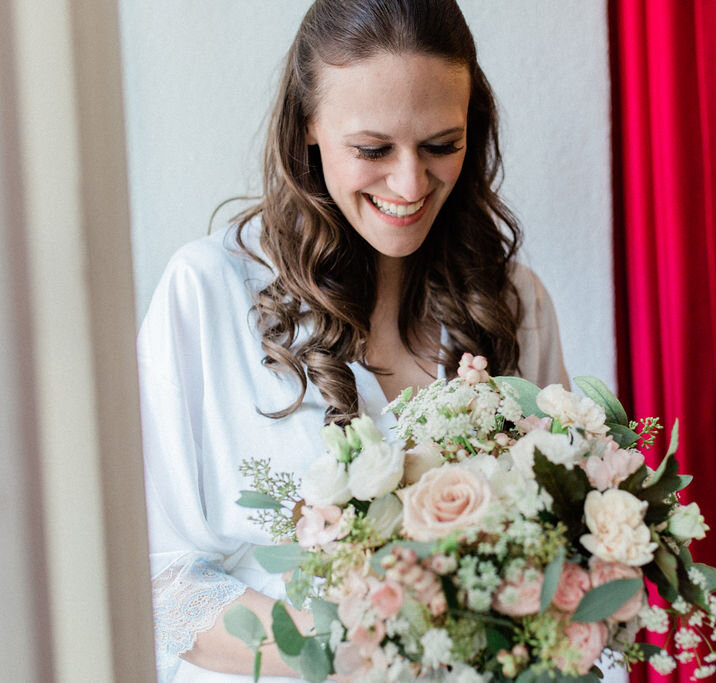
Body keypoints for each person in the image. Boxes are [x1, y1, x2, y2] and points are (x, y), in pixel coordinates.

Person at [136, 1, 569, 680]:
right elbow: (160, 581)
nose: (409, 184)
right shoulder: (207, 292)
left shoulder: (515, 302)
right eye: (372, 149)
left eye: (440, 145)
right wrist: (357, 645)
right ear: (307, 127)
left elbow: (554, 541)